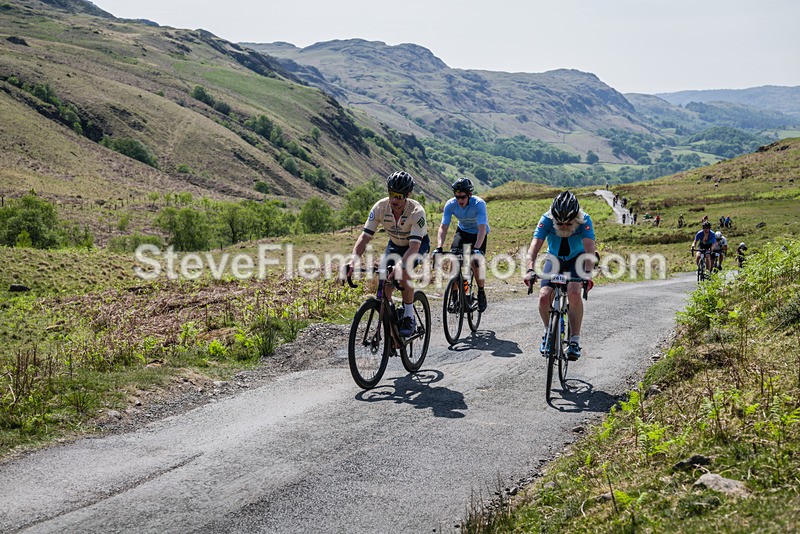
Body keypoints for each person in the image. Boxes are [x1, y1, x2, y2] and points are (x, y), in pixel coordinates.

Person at [346, 171, 430, 336]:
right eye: (392, 194)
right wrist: (353, 260)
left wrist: (400, 265)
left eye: (399, 196)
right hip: (395, 244)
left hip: (417, 245)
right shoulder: (380, 207)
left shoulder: (417, 212)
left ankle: (408, 316)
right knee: (384, 283)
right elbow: (364, 237)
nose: (394, 200)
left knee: (404, 271)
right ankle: (391, 317)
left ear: (407, 195)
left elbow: (413, 248)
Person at [523, 191, 596, 361]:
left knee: (574, 292)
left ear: (575, 218)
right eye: (559, 223)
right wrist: (530, 269)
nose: (563, 226)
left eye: (567, 223)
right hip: (554, 259)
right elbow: (534, 246)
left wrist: (587, 274)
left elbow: (590, 248)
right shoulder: (547, 219)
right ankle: (549, 331)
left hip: (576, 259)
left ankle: (575, 340)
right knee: (543, 297)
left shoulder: (585, 220)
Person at [434, 177, 490, 312]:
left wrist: (476, 249)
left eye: (463, 197)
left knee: (475, 263)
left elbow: (482, 228)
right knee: (454, 261)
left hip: (478, 233)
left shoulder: (479, 204)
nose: (460, 200)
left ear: (469, 195)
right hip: (463, 232)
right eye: (457, 197)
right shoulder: (450, 204)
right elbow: (443, 227)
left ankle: (481, 293)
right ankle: (454, 299)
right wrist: (439, 247)